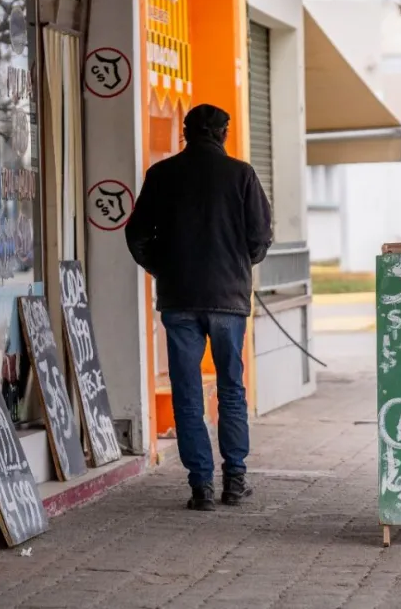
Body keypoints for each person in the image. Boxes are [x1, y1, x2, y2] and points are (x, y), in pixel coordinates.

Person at [125, 104, 273, 511]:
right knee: (230, 389)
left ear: (186, 134)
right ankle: (235, 480)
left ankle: (201, 488)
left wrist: (163, 268)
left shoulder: (161, 175)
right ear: (223, 133)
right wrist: (240, 265)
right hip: (229, 300)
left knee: (188, 392)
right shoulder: (241, 175)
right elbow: (260, 237)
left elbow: (136, 235)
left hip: (180, 299)